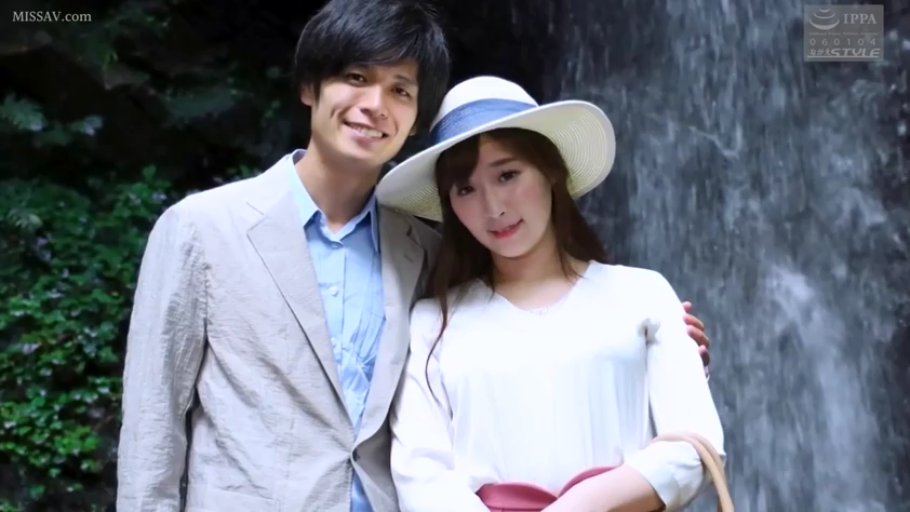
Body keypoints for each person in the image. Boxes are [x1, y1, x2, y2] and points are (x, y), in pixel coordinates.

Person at [116, 2, 712, 509]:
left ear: (414, 121)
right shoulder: (201, 230)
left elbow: (520, 338)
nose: (375, 104)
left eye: (400, 90)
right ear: (309, 87)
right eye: (355, 77)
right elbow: (151, 429)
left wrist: (659, 352)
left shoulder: (424, 251)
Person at [379, 76, 725, 512]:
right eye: (466, 188)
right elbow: (419, 476)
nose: (493, 207)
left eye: (507, 175)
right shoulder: (432, 323)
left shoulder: (643, 293)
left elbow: (696, 446)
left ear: (552, 172)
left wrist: (581, 504)